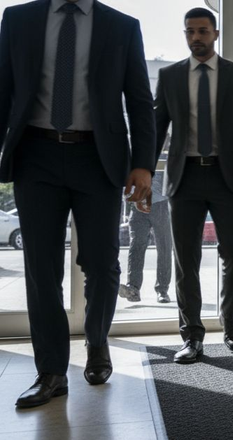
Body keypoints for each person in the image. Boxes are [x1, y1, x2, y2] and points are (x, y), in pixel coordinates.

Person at [1, 0, 155, 408]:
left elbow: (140, 100)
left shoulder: (122, 26)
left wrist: (143, 164)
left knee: (102, 262)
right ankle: (51, 372)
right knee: (40, 265)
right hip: (35, 156)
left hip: (97, 158)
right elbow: (3, 89)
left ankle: (97, 341)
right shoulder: (17, 18)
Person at [154, 7, 233, 363]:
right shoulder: (169, 76)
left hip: (227, 177)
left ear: (215, 34)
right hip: (184, 178)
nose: (195, 38)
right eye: (190, 32)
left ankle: (229, 317)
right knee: (186, 260)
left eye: (202, 31)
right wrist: (141, 172)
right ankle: (191, 336)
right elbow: (156, 129)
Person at [120, 171, 172, 304]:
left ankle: (162, 290)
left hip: (160, 204)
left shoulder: (163, 151)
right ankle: (133, 288)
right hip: (137, 204)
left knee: (164, 247)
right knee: (136, 246)